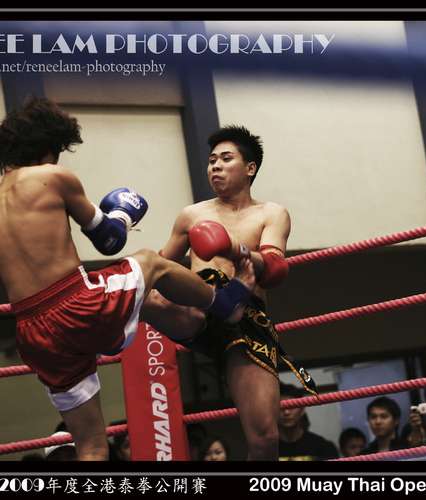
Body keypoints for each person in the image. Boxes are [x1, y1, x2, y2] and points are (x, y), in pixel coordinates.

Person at [0, 97, 255, 461]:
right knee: (152, 263)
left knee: (91, 446)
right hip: (76, 305)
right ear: (48, 148)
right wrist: (121, 214)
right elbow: (109, 241)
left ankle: (198, 330)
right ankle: (227, 303)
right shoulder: (52, 177)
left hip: (32, 332)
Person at [152, 125, 316, 460]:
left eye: (226, 159)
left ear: (250, 167)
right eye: (212, 160)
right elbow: (163, 265)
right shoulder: (192, 215)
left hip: (246, 319)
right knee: (145, 279)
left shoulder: (271, 213)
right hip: (199, 310)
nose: (215, 166)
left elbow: (274, 270)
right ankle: (96, 317)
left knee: (265, 439)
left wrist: (234, 249)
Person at [278, 383, 338, 461]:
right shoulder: (266, 448)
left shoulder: (322, 447)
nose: (286, 412)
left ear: (302, 410)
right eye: (281, 407)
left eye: (292, 406)